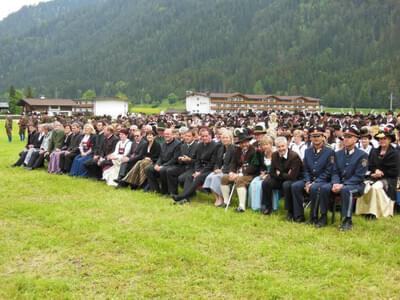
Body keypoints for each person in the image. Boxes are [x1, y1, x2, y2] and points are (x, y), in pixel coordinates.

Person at [319, 127, 368, 231]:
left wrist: (343, 184)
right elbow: (335, 171)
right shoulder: (338, 154)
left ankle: (347, 220)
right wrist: (335, 183)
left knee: (346, 190)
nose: (346, 139)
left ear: (355, 139)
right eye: (345, 137)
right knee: (324, 188)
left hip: (356, 185)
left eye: (349, 137)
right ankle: (323, 216)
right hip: (339, 183)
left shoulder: (362, 155)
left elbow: (359, 176)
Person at [290, 126, 335, 227]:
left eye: (318, 136)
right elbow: (306, 169)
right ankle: (299, 215)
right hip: (309, 180)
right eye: (313, 136)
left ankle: (313, 217)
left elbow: (329, 171)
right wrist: (307, 182)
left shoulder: (329, 152)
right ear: (310, 138)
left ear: (323, 137)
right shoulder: (308, 151)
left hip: (323, 180)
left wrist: (315, 182)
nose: (316, 138)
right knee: (295, 186)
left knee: (314, 188)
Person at [356, 127, 399, 218]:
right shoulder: (374, 151)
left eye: (384, 139)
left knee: (376, 187)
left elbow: (395, 171)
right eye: (380, 139)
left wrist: (381, 173)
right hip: (374, 176)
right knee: (365, 185)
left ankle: (376, 213)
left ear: (390, 140)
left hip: (389, 179)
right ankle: (364, 211)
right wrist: (375, 171)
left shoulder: (395, 153)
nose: (381, 141)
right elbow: (370, 165)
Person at [172, 128, 218, 204]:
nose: (204, 138)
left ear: (210, 136)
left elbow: (212, 163)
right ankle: (186, 198)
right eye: (202, 136)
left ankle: (182, 196)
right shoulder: (200, 145)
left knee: (197, 177)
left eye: (206, 136)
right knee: (189, 176)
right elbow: (197, 160)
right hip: (199, 168)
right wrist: (197, 170)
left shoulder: (215, 146)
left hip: (209, 169)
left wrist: (200, 172)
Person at [261, 136, 303, 218]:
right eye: (278, 147)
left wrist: (280, 174)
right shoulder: (274, 155)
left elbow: (292, 176)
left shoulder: (294, 156)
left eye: (283, 146)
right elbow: (272, 173)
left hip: (295, 180)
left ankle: (290, 211)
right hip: (280, 179)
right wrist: (284, 174)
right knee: (266, 182)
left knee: (287, 185)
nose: (281, 149)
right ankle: (268, 207)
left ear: (287, 145)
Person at [220, 131, 261, 212]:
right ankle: (226, 202)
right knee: (224, 178)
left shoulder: (255, 151)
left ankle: (241, 207)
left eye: (245, 142)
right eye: (241, 143)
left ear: (248, 142)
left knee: (240, 180)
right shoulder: (237, 150)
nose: (244, 144)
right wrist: (231, 172)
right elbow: (233, 163)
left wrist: (240, 174)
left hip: (250, 174)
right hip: (237, 173)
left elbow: (254, 167)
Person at [203, 129, 235, 206]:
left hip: (228, 171)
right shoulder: (221, 149)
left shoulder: (233, 149)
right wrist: (216, 169)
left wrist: (222, 170)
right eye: (223, 138)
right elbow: (217, 162)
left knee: (216, 178)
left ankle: (221, 198)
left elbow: (233, 164)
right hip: (220, 169)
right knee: (210, 177)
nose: (225, 139)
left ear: (231, 139)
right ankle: (217, 197)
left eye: (227, 138)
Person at [145, 128, 181, 194]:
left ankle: (165, 191)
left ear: (172, 135)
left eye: (168, 134)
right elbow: (160, 157)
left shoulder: (177, 144)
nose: (166, 136)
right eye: (165, 134)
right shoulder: (164, 144)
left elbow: (174, 159)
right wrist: (157, 164)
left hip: (173, 165)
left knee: (162, 170)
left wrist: (162, 166)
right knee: (148, 169)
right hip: (163, 164)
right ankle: (155, 190)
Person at [165, 129, 198, 196]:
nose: (187, 138)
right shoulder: (183, 146)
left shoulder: (197, 146)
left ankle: (188, 193)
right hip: (183, 166)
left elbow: (198, 161)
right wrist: (180, 159)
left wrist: (189, 160)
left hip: (193, 167)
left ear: (193, 137)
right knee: (170, 171)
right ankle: (173, 193)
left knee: (182, 178)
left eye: (189, 136)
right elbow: (179, 158)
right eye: (185, 136)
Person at [248, 135, 274, 211]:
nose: (265, 146)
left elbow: (277, 167)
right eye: (263, 145)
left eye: (267, 144)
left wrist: (267, 175)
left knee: (261, 185)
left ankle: (264, 205)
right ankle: (256, 206)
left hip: (273, 175)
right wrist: (263, 173)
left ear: (271, 144)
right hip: (264, 173)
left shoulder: (275, 154)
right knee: (254, 183)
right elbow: (262, 166)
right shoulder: (262, 154)